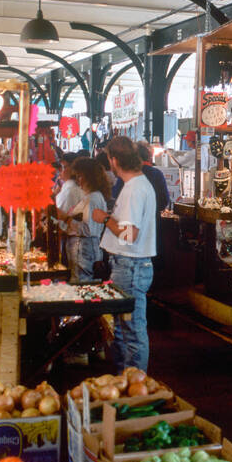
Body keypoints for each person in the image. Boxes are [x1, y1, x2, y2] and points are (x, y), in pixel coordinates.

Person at [92, 140, 157, 371]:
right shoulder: (135, 185)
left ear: (114, 160)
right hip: (129, 266)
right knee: (123, 328)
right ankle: (125, 380)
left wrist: (105, 219)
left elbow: (130, 234)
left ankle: (134, 384)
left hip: (130, 266)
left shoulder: (135, 189)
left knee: (132, 331)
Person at [63, 157, 107, 283]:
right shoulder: (91, 197)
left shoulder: (92, 199)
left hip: (84, 249)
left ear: (90, 177)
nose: (78, 180)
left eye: (80, 176)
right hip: (83, 248)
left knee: (82, 283)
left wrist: (66, 218)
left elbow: (88, 229)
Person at [136, 140, 171, 214]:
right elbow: (164, 201)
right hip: (153, 219)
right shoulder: (157, 174)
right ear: (150, 157)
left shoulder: (127, 173)